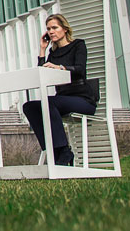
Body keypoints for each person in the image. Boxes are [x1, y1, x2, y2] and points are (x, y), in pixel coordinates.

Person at [21, 13, 98, 166]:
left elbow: (80, 69)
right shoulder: (53, 53)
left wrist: (59, 68)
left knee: (48, 102)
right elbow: (41, 74)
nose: (51, 31)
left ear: (64, 29)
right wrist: (43, 50)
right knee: (29, 106)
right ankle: (54, 150)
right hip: (61, 101)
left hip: (83, 100)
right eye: (48, 29)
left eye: (55, 27)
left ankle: (63, 151)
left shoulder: (78, 45)